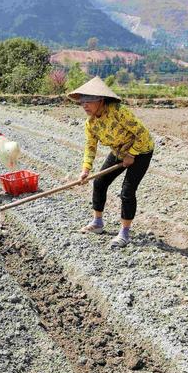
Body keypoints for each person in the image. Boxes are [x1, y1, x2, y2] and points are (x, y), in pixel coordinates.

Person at [68, 77, 154, 248]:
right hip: (119, 151)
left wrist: (132, 154)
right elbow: (90, 147)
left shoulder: (118, 112)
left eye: (89, 101)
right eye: (82, 102)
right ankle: (98, 223)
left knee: (127, 191)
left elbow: (143, 134)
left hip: (142, 150)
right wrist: (85, 169)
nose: (84, 105)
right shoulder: (90, 123)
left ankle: (124, 233)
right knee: (99, 182)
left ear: (100, 100)